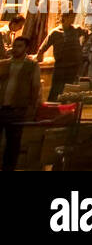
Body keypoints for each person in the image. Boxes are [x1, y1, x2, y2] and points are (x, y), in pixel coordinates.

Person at [0, 37, 42, 171]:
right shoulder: (5, 64)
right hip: (1, 107)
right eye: (15, 46)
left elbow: (35, 87)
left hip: (17, 109)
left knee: (13, 144)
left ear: (26, 49)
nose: (15, 49)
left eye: (19, 46)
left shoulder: (31, 66)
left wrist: (33, 107)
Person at [38, 12, 86, 102]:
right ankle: (52, 107)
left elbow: (88, 33)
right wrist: (38, 56)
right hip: (61, 65)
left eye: (74, 17)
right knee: (56, 88)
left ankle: (68, 107)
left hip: (74, 65)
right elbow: (44, 46)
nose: (73, 19)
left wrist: (82, 48)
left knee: (70, 89)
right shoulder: (55, 32)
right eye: (71, 17)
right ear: (64, 17)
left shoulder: (77, 29)